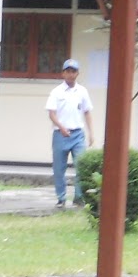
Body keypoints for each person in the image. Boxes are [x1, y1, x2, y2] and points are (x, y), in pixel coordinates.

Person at [46, 58, 94, 209]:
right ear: (63, 73)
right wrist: (60, 127)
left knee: (81, 166)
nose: (70, 74)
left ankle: (79, 197)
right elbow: (51, 113)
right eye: (68, 71)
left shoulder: (82, 91)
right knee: (59, 168)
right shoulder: (56, 92)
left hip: (77, 134)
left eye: (73, 71)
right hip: (60, 134)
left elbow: (87, 112)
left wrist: (91, 132)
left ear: (78, 73)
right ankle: (61, 198)